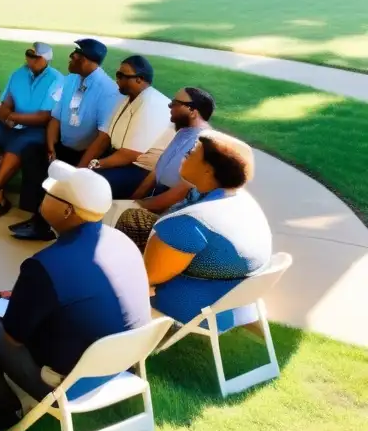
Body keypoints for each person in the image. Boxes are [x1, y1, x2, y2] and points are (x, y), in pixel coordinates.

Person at [0, 161, 150, 426]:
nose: (43, 196)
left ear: (68, 210)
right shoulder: (122, 241)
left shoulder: (45, 265)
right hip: (120, 367)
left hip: (67, 384)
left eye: (50, 194)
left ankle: (1, 406)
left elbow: (12, 339)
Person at [146, 132, 272, 331]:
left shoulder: (190, 224)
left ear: (208, 170)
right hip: (235, 304)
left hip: (193, 307)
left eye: (191, 152)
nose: (185, 154)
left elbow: (148, 277)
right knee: (133, 221)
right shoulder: (241, 201)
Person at [11, 39, 122, 241]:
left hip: (87, 154)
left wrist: (80, 169)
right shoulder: (71, 79)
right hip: (63, 146)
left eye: (76, 54)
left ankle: (42, 225)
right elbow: (56, 116)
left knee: (65, 176)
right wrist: (51, 147)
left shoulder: (108, 90)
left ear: (88, 61)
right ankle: (39, 215)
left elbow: (103, 137)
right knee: (32, 153)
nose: (70, 57)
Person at [116, 87, 215, 249]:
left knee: (125, 223)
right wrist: (134, 199)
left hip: (174, 213)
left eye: (175, 103)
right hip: (157, 197)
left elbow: (181, 193)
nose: (169, 106)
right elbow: (157, 170)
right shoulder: (182, 132)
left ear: (192, 110)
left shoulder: (203, 142)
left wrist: (138, 206)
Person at [0, 42, 63, 218]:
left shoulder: (56, 79)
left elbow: (43, 117)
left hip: (36, 129)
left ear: (45, 59)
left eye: (35, 57)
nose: (30, 60)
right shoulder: (18, 74)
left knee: (19, 146)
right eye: (29, 55)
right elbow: (6, 103)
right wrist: (6, 116)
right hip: (11, 124)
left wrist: (12, 117)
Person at [78, 55, 173, 200]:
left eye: (122, 75)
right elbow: (104, 138)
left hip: (140, 170)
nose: (117, 78)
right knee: (75, 176)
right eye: (117, 74)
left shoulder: (152, 104)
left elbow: (130, 154)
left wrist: (94, 165)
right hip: (120, 159)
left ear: (139, 79)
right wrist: (81, 168)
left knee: (87, 185)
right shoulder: (127, 98)